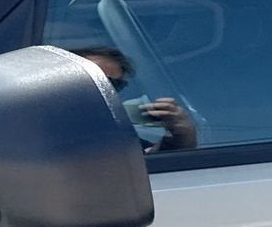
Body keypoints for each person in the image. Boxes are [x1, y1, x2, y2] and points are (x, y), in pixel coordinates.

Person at [68, 45, 199, 152]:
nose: (107, 89)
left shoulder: (119, 141)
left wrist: (182, 134)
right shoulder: (49, 136)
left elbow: (148, 161)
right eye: (95, 79)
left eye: (116, 85)